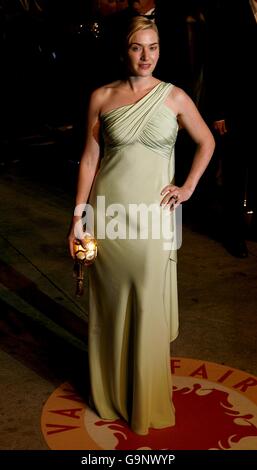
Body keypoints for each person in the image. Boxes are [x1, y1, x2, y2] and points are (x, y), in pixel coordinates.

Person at [68, 16, 215, 435]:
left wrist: (187, 187)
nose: (146, 56)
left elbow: (207, 141)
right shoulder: (102, 96)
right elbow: (91, 160)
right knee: (110, 305)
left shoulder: (175, 98)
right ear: (123, 50)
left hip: (153, 218)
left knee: (147, 304)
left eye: (153, 47)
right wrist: (79, 216)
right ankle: (111, 394)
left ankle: (145, 400)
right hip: (109, 216)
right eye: (137, 47)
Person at [205, 0, 257, 257]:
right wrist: (219, 111)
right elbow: (216, 60)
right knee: (235, 171)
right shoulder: (228, 9)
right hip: (237, 107)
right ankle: (233, 233)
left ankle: (254, 225)